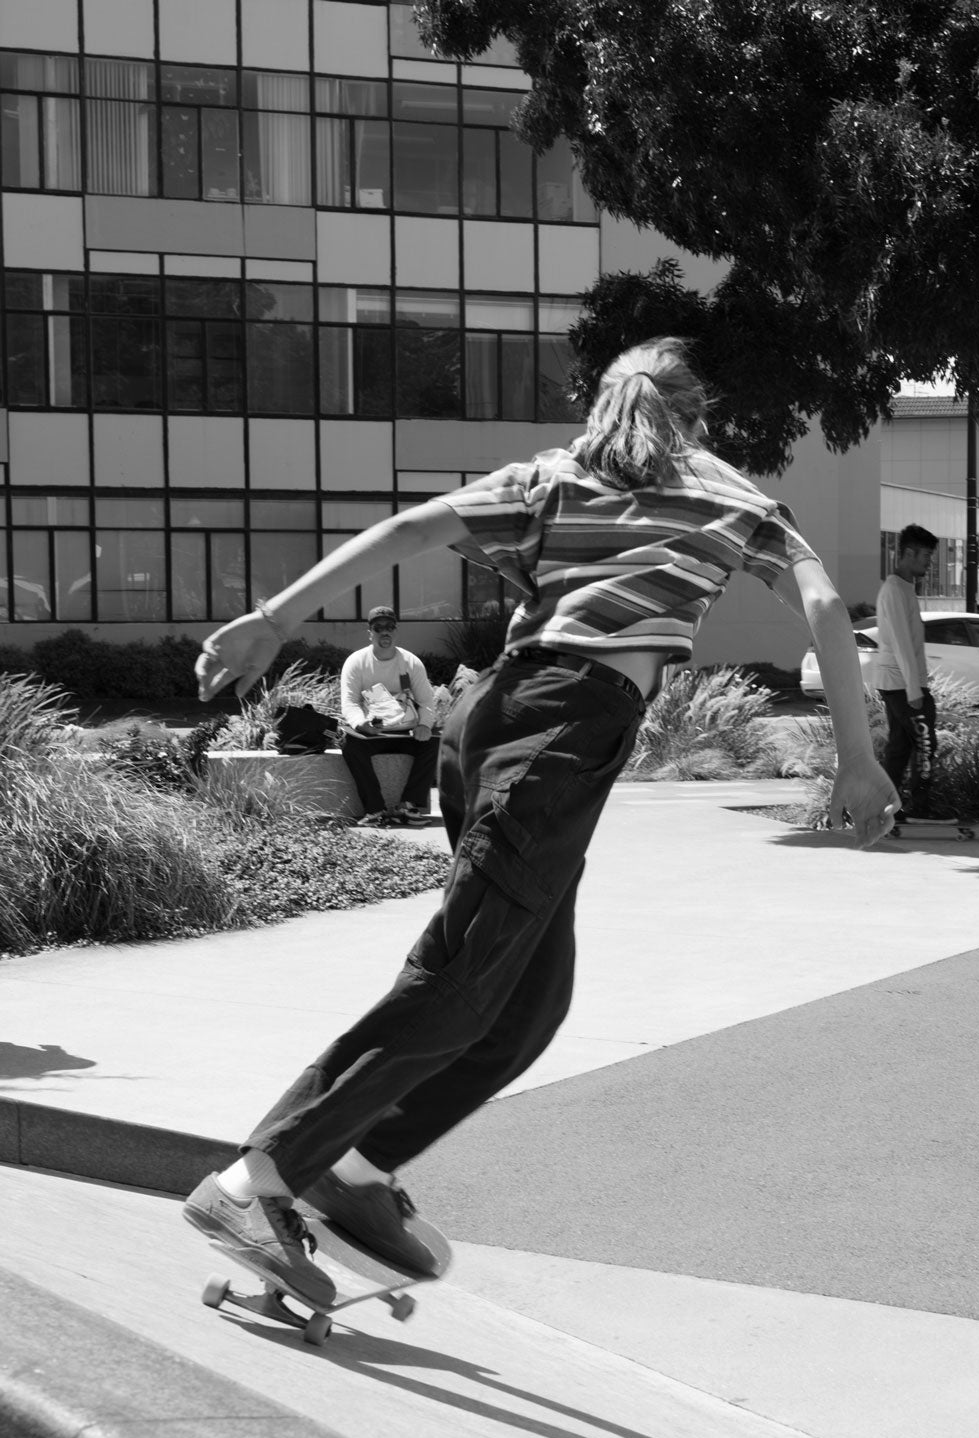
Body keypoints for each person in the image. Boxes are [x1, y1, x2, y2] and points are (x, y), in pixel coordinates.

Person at [179, 336, 896, 1308]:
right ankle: (256, 1177)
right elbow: (819, 602)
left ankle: (351, 1167)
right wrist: (855, 757)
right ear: (696, 415)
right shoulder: (722, 492)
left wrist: (273, 615)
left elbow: (410, 530)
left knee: (528, 1002)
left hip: (490, 722)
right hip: (561, 733)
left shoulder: (553, 477)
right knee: (464, 980)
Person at [338, 605, 438, 825]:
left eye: (390, 627)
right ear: (370, 633)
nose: (385, 632)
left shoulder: (411, 662)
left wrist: (424, 725)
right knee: (348, 743)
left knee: (435, 742)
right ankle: (374, 810)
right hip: (373, 734)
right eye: (378, 627)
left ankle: (409, 805)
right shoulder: (356, 662)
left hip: (405, 732)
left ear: (396, 630)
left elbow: (426, 701)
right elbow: (349, 702)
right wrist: (361, 724)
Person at [876, 523, 937, 830]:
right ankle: (920, 808)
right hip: (902, 685)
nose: (929, 561)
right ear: (909, 553)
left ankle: (886, 808)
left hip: (898, 683)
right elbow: (901, 641)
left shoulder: (903, 588)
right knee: (926, 743)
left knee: (900, 747)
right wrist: (915, 688)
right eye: (926, 555)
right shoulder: (895, 590)